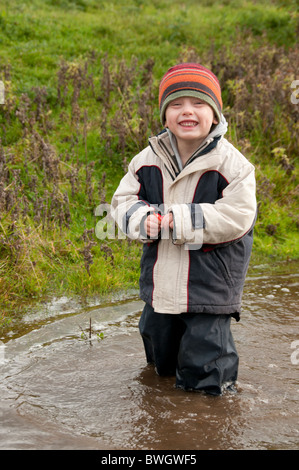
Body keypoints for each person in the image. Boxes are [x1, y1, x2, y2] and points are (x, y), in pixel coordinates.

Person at [111, 63, 256, 395]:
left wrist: (184, 219)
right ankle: (164, 401)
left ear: (215, 115)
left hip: (210, 285)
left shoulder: (233, 165)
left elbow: (238, 216)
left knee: (206, 359)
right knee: (158, 349)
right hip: (161, 281)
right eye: (176, 104)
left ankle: (210, 413)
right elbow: (121, 201)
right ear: (165, 117)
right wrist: (139, 218)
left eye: (198, 103)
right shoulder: (146, 159)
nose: (187, 111)